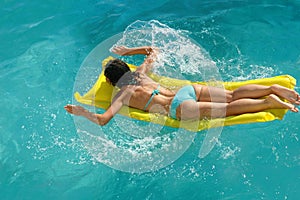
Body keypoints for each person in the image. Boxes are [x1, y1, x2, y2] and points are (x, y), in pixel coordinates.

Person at [64, 46, 299, 126]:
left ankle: (267, 102)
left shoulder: (122, 94)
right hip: (186, 90)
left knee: (227, 110)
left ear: (109, 81)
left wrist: (82, 112)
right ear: (128, 68)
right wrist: (127, 51)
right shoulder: (141, 72)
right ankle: (272, 89)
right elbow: (154, 51)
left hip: (177, 107)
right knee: (231, 95)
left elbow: (104, 120)